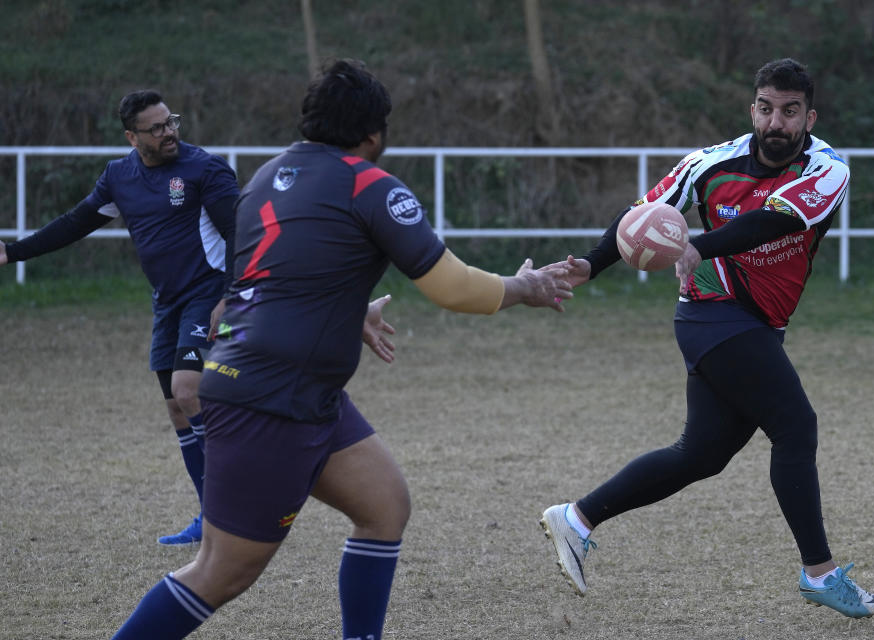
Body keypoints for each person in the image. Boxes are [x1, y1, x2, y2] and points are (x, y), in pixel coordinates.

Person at [110, 58, 573, 640]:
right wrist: (523, 288)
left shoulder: (264, 178)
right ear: (374, 134)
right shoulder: (368, 185)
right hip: (271, 396)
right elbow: (451, 287)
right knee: (220, 572)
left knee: (383, 506)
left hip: (284, 384)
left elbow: (262, 283)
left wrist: (351, 311)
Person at [539, 58, 874, 619]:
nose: (777, 122)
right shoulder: (708, 163)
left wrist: (702, 244)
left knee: (700, 454)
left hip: (757, 324)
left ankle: (576, 519)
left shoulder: (828, 170)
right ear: (752, 108)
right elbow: (644, 214)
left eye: (790, 111)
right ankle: (820, 574)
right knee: (796, 427)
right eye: (767, 108)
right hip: (713, 314)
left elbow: (773, 222)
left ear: (809, 117)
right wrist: (592, 262)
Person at [0, 90, 240, 545]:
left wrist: (230, 295)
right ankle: (212, 516)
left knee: (188, 390)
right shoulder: (119, 176)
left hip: (208, 293)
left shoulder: (203, 168)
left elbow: (239, 232)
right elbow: (75, 222)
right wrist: (12, 251)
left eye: (172, 122)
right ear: (133, 137)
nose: (169, 132)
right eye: (157, 127)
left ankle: (236, 504)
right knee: (176, 407)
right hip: (167, 301)